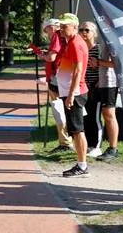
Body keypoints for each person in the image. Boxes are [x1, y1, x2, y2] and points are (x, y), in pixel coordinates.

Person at [56, 13, 90, 177]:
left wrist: (70, 94)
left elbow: (78, 71)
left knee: (77, 130)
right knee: (76, 130)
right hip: (71, 91)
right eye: (61, 25)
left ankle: (82, 165)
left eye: (65, 26)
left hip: (75, 92)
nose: (61, 29)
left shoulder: (76, 43)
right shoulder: (71, 42)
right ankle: (81, 163)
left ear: (75, 27)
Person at [34, 18, 73, 152]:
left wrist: (42, 56)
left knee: (58, 109)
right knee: (65, 109)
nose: (47, 34)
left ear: (51, 28)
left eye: (46, 31)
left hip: (58, 77)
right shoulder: (65, 37)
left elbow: (52, 58)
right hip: (63, 75)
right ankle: (67, 140)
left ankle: (65, 142)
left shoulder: (56, 36)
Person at [93, 22, 121, 162]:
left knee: (109, 114)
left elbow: (117, 64)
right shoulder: (104, 38)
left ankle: (113, 148)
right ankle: (111, 147)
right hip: (104, 80)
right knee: (106, 114)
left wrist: (98, 62)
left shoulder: (112, 39)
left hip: (111, 81)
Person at [81, 22, 104, 158]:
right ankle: (88, 144)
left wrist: (100, 81)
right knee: (85, 116)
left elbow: (105, 67)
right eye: (81, 30)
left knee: (95, 116)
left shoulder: (99, 49)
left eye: (87, 30)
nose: (83, 32)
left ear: (94, 33)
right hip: (84, 87)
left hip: (96, 86)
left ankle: (97, 146)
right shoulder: (81, 48)